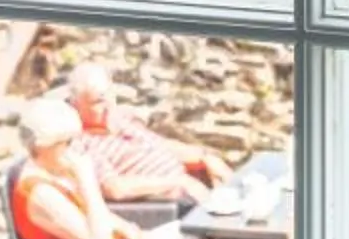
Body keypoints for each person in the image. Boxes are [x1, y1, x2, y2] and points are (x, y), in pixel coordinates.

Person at [9, 96, 212, 239]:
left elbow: (95, 215)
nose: (73, 149)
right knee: (196, 236)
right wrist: (87, 179)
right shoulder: (39, 192)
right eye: (67, 143)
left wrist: (131, 230)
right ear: (44, 146)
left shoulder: (52, 174)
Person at [66, 61, 228, 211]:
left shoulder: (120, 120)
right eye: (97, 102)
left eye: (110, 96)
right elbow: (115, 188)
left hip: (188, 188)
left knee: (232, 185)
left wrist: (204, 158)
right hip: (165, 206)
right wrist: (178, 182)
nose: (108, 106)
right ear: (77, 105)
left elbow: (162, 146)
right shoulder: (82, 143)